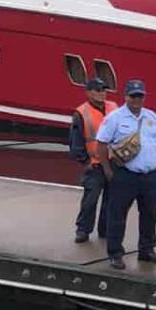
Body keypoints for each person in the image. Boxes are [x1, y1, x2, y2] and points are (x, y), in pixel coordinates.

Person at [95, 80, 156, 271]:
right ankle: (115, 254)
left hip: (150, 176)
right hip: (125, 175)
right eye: (133, 96)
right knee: (117, 215)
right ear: (126, 96)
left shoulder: (151, 116)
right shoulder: (115, 118)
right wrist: (107, 169)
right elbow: (102, 143)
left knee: (150, 215)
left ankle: (147, 250)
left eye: (140, 96)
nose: (137, 99)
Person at [69, 78, 117, 243]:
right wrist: (85, 162)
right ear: (88, 92)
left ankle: (105, 229)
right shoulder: (81, 113)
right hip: (94, 164)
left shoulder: (114, 107)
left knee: (111, 200)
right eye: (98, 90)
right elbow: (76, 141)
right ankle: (83, 230)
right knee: (90, 199)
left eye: (104, 90)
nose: (102, 93)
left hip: (113, 161)